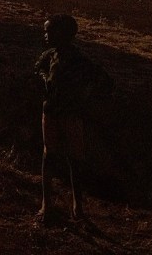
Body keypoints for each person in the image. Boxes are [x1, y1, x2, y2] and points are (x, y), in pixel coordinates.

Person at [35, 13, 113, 224]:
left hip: (68, 113)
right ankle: (50, 203)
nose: (46, 35)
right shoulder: (52, 56)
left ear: (63, 34)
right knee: (55, 156)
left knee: (71, 160)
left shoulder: (78, 61)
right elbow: (39, 70)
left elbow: (101, 80)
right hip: (55, 111)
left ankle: (73, 205)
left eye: (49, 31)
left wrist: (84, 95)